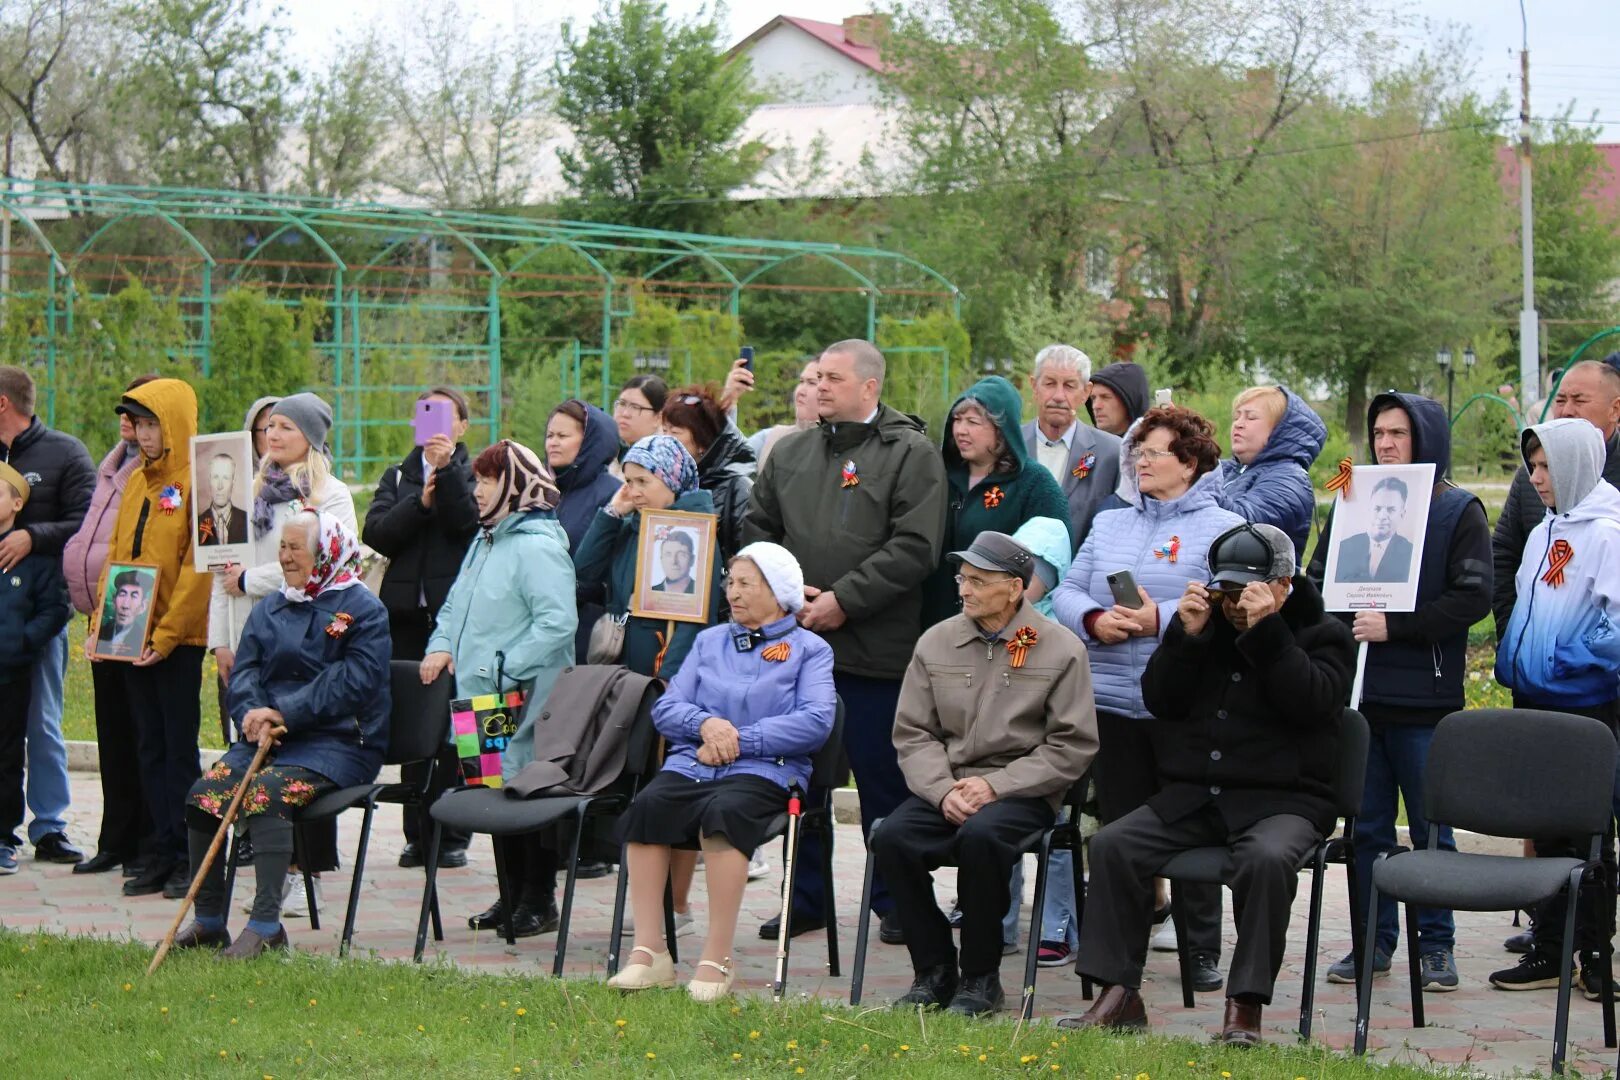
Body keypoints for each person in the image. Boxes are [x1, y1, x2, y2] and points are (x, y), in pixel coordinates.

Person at [1060, 523, 1355, 1046]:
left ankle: (1244, 1006)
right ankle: (1119, 992)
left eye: (1247, 591)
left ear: (1282, 585)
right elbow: (1161, 701)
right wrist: (1184, 638)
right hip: (1198, 794)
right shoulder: (1208, 626)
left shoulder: (1322, 632)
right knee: (1113, 845)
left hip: (1285, 799)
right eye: (1225, 589)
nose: (1234, 603)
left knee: (1265, 860)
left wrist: (1267, 632)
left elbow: (1313, 702)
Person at [744, 338, 948, 945]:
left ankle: (896, 902)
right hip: (797, 644)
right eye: (816, 377)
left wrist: (844, 600)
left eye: (834, 377)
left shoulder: (910, 454)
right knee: (798, 780)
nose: (821, 387)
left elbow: (916, 546)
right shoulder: (791, 454)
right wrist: (789, 597)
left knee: (882, 781)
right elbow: (759, 532)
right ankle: (805, 898)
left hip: (875, 652)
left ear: (869, 387)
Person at [1050, 404, 1243, 991]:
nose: (1140, 461)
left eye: (1154, 452)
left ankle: (1200, 948)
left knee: (1191, 824)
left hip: (1181, 707)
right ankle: (1123, 956)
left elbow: (1226, 610)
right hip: (1112, 703)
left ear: (1188, 463)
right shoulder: (1111, 522)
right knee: (1122, 829)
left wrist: (1161, 620)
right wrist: (1092, 620)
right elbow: (1066, 590)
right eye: (1137, 452)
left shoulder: (1219, 527)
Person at [1306, 392, 1490, 993]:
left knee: (1432, 829)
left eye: (1399, 434)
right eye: (1379, 433)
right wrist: (1339, 629)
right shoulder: (1352, 497)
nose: (1385, 444)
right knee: (1367, 830)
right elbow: (1317, 581)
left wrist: (1398, 625)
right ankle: (1371, 942)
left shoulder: (1457, 510)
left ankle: (1436, 946)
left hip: (1425, 702)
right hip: (1359, 700)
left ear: (1426, 440)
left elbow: (1472, 598)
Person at [875, 532, 1098, 1015]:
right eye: (963, 578)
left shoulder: (1060, 648)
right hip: (949, 785)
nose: (964, 590)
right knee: (892, 838)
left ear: (1015, 588)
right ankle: (934, 971)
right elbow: (913, 733)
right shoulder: (937, 641)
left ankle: (980, 978)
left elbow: (1071, 745)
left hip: (1023, 792)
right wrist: (940, 792)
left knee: (983, 837)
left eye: (978, 580)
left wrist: (995, 785)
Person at [607, 543, 835, 999]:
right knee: (649, 808)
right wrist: (705, 725)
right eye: (730, 582)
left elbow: (816, 721)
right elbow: (668, 708)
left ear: (779, 591)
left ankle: (717, 959)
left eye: (746, 583)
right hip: (695, 762)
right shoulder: (709, 641)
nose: (733, 591)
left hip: (769, 770)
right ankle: (649, 953)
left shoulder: (811, 650)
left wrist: (738, 742)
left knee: (726, 815)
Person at [168, 511, 391, 959]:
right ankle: (209, 921)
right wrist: (252, 711)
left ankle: (266, 926)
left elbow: (352, 683)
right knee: (205, 793)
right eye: (282, 548)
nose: (286, 558)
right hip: (269, 738)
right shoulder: (273, 605)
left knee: (267, 793)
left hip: (338, 744)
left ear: (325, 552)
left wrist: (284, 711)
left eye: (296, 549)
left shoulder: (364, 610)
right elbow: (245, 669)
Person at [422, 439, 579, 936]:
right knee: (493, 793)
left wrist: (504, 667)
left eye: (489, 480)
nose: (478, 490)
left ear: (516, 486)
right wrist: (441, 643)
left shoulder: (536, 545)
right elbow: (454, 604)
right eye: (478, 479)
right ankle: (510, 893)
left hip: (525, 696)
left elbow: (558, 624)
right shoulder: (486, 538)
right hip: (486, 695)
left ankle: (539, 898)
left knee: (525, 794)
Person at [1490, 360, 1620, 955]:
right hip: (1536, 697)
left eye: (1546, 467)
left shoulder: (1609, 533)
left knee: (1586, 831)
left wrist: (1569, 658)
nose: (1537, 478)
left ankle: (1593, 948)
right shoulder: (1545, 530)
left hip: (1588, 703)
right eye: (1532, 466)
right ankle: (1549, 943)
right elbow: (1526, 596)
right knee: (1545, 825)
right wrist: (1517, 653)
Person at [210, 392, 354, 913]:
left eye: (287, 427)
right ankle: (264, 863)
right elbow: (218, 567)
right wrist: (220, 639)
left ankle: (299, 872)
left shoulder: (330, 494)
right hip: (246, 633)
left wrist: (250, 580)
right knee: (249, 747)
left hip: (304, 641)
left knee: (294, 754)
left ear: (311, 437)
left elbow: (329, 561)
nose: (273, 435)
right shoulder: (243, 493)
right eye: (270, 425)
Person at [577, 434, 721, 934]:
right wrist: (611, 514)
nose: (633, 489)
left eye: (643, 481)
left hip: (667, 682)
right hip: (625, 677)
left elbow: (695, 618)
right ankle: (645, 900)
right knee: (636, 788)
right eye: (629, 479)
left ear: (672, 480)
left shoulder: (695, 531)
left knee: (669, 791)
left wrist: (668, 685)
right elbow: (583, 573)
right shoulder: (634, 524)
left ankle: (675, 907)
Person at [93, 378, 211, 899]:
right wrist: (106, 623)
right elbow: (118, 556)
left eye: (151, 423)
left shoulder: (199, 484)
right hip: (130, 638)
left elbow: (196, 573)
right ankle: (158, 851)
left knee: (178, 751)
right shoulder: (138, 481)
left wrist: (165, 636)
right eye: (137, 424)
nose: (142, 435)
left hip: (177, 644)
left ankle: (189, 854)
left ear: (175, 424)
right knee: (148, 748)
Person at [362, 386, 481, 870]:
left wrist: (449, 477)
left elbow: (468, 525)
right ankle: (418, 832)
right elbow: (377, 533)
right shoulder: (400, 474)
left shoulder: (477, 473)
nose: (431, 426)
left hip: (459, 619)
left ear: (462, 426)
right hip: (407, 619)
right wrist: (421, 502)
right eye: (424, 415)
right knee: (416, 724)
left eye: (443, 416)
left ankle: (457, 831)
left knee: (462, 723)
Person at [62, 375, 158, 875]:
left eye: (139, 412)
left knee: (142, 733)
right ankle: (115, 838)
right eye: (124, 409)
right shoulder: (112, 466)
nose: (127, 418)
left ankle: (146, 841)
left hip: (141, 614)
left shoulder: (160, 474)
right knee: (112, 733)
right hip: (108, 616)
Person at [0, 365, 94, 866]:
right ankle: (2, 829)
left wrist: (33, 536)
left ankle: (50, 825)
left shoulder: (65, 452)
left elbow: (88, 520)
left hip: (40, 616)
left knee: (43, 723)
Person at [922, 375, 1070, 627]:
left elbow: (1049, 560)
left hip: (1002, 630)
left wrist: (1002, 614)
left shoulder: (1033, 483)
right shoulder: (939, 476)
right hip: (936, 627)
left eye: (973, 422)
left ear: (1001, 431)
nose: (961, 430)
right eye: (957, 420)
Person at [0, 462, 72, 874]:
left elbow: (55, 609)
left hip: (11, 672)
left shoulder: (35, 561)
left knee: (8, 756)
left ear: (16, 503)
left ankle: (4, 835)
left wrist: (21, 642)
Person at [547, 398, 622, 677]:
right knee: (489, 716)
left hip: (578, 636)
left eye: (563, 436)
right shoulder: (541, 492)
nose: (553, 442)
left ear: (590, 442)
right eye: (550, 435)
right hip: (506, 649)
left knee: (556, 715)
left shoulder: (613, 495)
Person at [1023, 345, 1122, 552]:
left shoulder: (1112, 454)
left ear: (1086, 392)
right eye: (1049, 383)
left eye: (1069, 386)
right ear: (1034, 386)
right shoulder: (1008, 446)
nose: (1058, 396)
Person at [1218, 386, 1328, 560]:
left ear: (1280, 430)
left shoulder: (1290, 479)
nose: (1238, 423)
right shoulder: (1226, 469)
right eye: (1236, 416)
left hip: (1254, 584)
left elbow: (1240, 527)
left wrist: (1192, 483)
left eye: (1251, 417)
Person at [661, 386, 756, 565]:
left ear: (702, 442)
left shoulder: (738, 487)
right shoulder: (662, 480)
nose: (665, 440)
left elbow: (748, 557)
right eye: (664, 431)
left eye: (674, 433)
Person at [1331, 477, 1415, 584]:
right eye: (1377, 508)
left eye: (1391, 509)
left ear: (1402, 514)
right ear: (1369, 509)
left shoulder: (1411, 553)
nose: (1382, 516)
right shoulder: (1343, 547)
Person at [747, 360, 821, 467]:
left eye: (812, 383)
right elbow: (725, 466)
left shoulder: (842, 448)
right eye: (801, 382)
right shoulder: (770, 438)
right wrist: (730, 401)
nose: (800, 391)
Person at [96, 570, 151, 657]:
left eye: (134, 596)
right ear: (114, 600)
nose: (125, 605)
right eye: (122, 594)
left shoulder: (143, 639)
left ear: (143, 607)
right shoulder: (101, 632)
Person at [1086, 362, 1149, 438]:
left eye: (1105, 397)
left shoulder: (1154, 447)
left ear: (1127, 402)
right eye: (1093, 398)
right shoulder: (1082, 446)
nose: (1095, 406)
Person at [197, 453, 247, 546]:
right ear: (209, 480)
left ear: (233, 481)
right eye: (216, 477)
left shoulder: (247, 521)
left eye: (226, 478)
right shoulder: (197, 523)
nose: (220, 486)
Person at [612, 374, 668, 450]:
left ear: (658, 418)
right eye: (622, 403)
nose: (625, 414)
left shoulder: (660, 455)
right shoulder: (609, 447)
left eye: (635, 407)